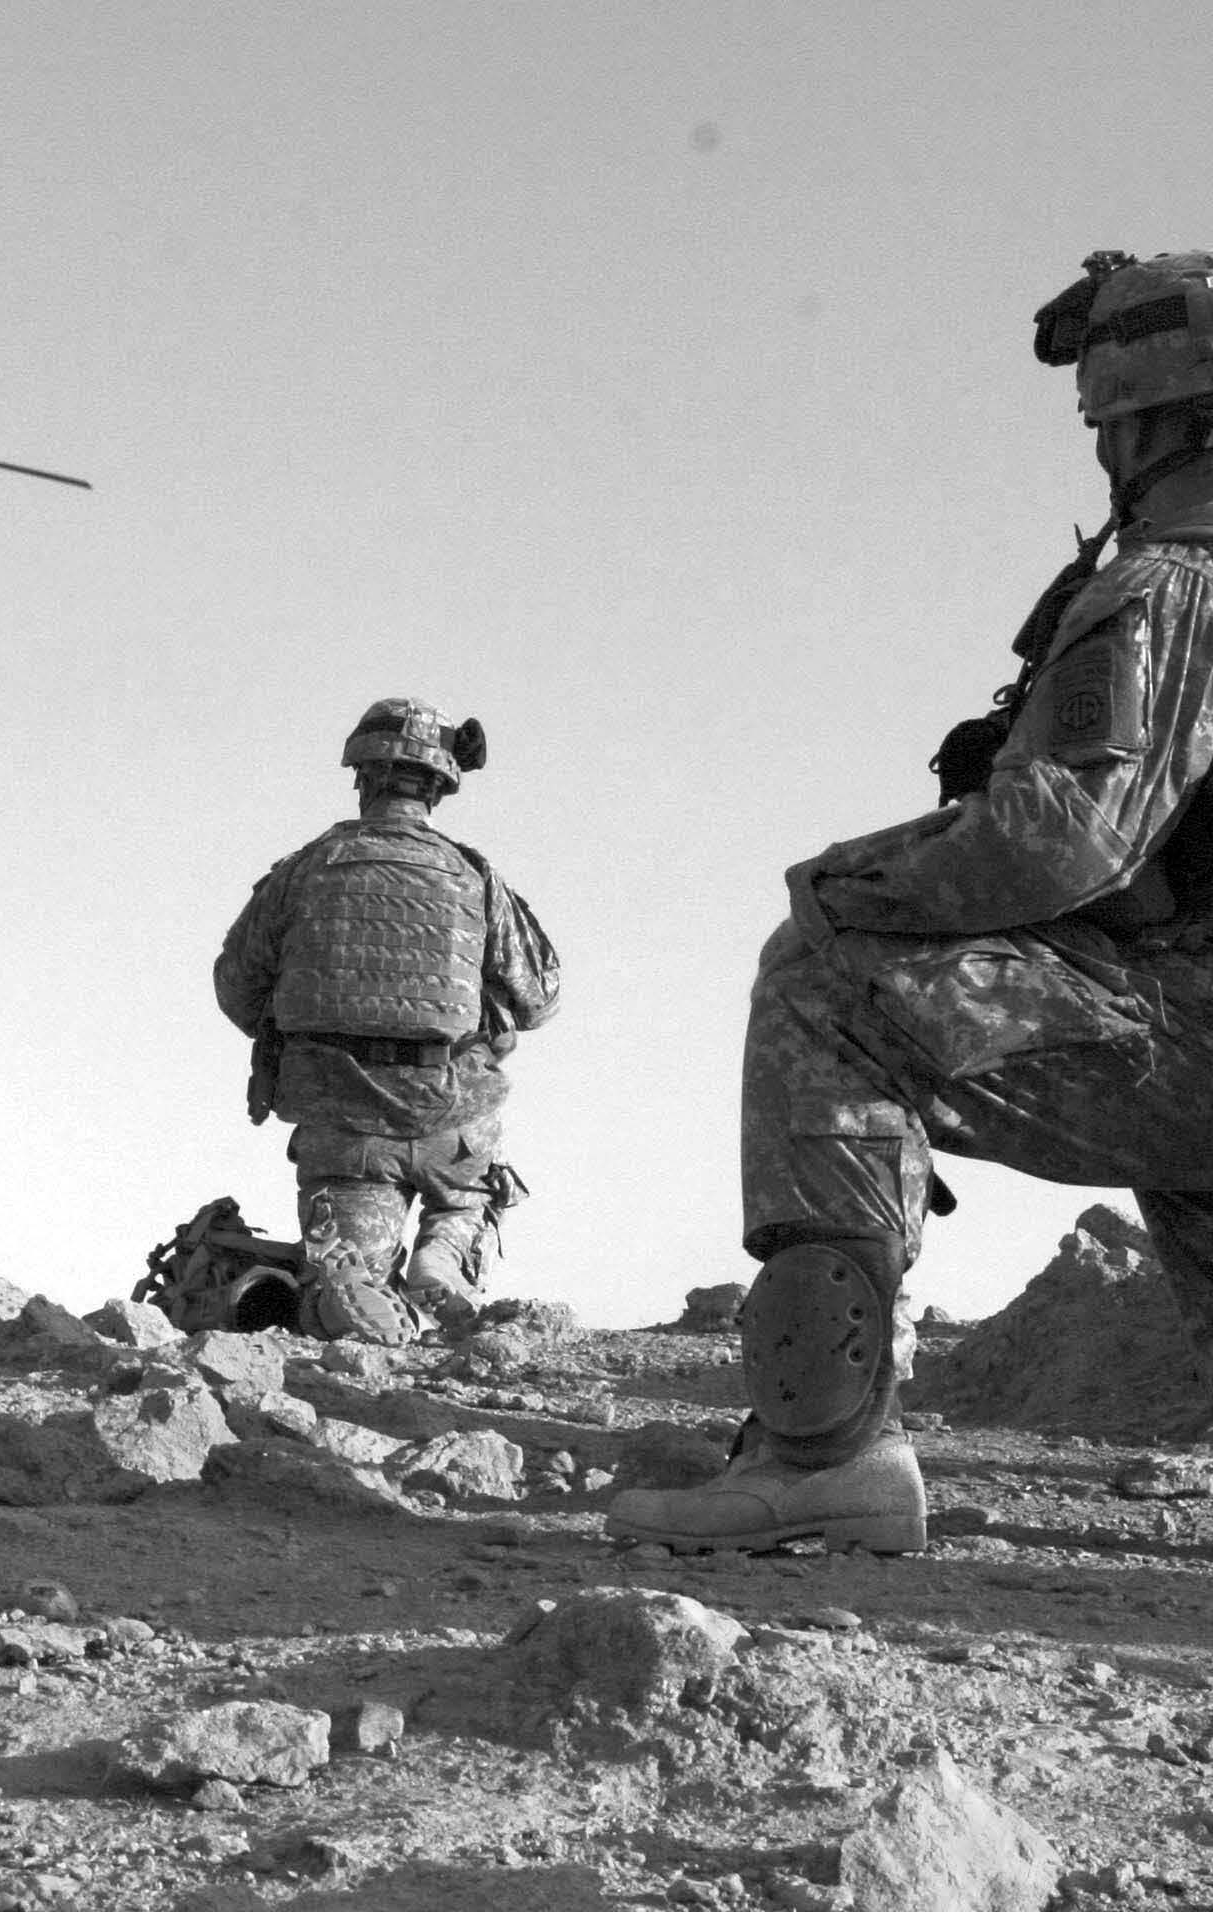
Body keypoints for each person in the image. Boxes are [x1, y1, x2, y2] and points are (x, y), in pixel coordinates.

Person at [611, 250, 1213, 1555]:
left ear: (1144, 416)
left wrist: (846, 882)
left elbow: (1065, 842)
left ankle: (821, 1453)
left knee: (828, 983)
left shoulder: (1168, 585)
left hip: (1196, 1038)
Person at [213, 700, 561, 1343]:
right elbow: (539, 998)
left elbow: (235, 989)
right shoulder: (476, 877)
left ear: (361, 775)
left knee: (350, 1300)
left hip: (344, 1135)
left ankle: (354, 1296)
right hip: (452, 1128)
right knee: (472, 1189)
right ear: (440, 785)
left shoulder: (301, 870)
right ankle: (445, 1254)